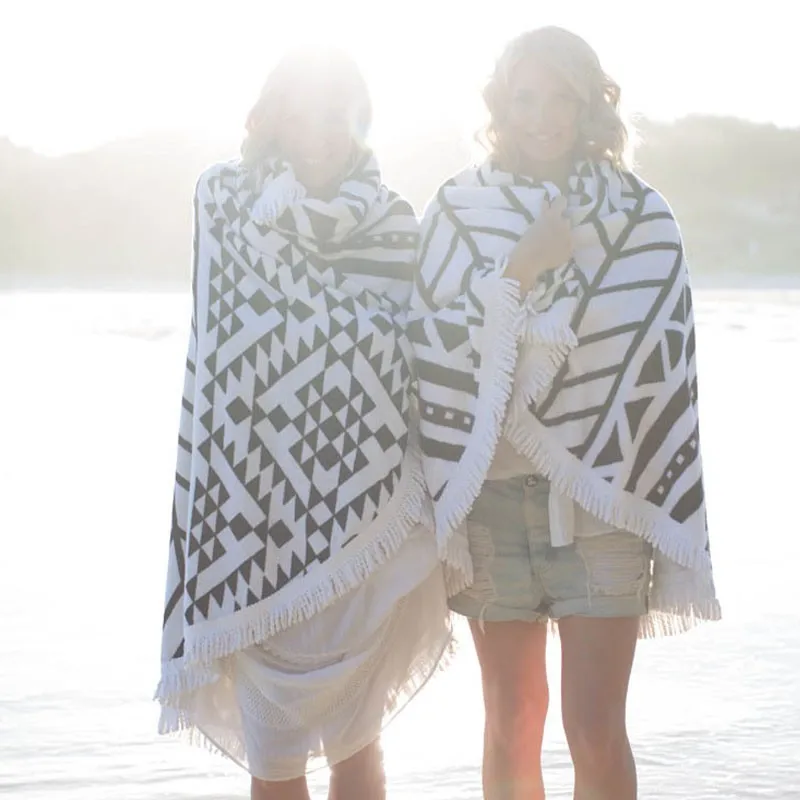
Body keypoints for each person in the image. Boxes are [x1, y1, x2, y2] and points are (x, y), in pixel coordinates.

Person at [409, 26, 720, 800]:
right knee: (511, 721)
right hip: (491, 507)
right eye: (525, 98)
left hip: (601, 502)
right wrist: (520, 270)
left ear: (590, 106)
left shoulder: (641, 217)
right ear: (499, 106)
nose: (542, 116)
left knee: (593, 728)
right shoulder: (456, 209)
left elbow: (664, 367)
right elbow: (425, 346)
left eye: (560, 98)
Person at [155, 46, 451, 800]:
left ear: (360, 121)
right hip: (250, 515)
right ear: (271, 117)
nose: (318, 130)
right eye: (301, 111)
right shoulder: (225, 199)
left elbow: (423, 342)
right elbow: (241, 335)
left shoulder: (393, 223)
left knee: (360, 749)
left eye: (335, 113)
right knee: (275, 758)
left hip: (366, 514)